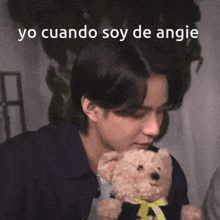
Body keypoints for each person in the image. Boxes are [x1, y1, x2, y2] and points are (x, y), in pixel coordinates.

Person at [0, 38, 189, 219]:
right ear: (92, 108)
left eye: (160, 111)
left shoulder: (164, 171)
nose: (154, 129)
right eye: (137, 113)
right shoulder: (17, 164)